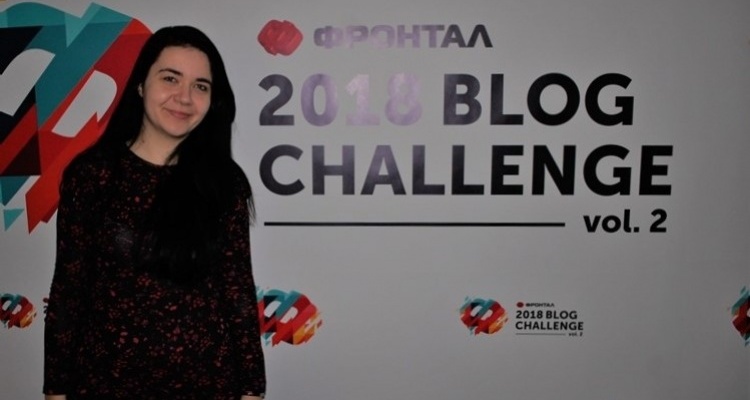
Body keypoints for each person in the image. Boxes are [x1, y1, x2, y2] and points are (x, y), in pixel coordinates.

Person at [43, 26, 266, 399]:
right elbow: (68, 293)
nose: (184, 97)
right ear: (140, 85)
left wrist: (253, 391)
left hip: (208, 387)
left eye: (200, 86)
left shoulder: (224, 184)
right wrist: (55, 390)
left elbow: (238, 294)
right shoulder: (92, 177)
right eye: (170, 78)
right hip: (103, 386)